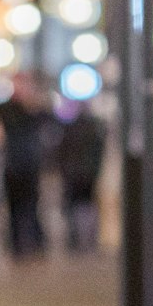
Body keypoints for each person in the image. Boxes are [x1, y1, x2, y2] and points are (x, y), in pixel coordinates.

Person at [0, 74, 56, 260]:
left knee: (32, 207)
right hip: (12, 165)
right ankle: (17, 249)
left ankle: (36, 246)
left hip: (31, 165)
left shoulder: (35, 107)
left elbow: (51, 125)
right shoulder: (5, 108)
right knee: (14, 209)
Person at [56, 98, 107, 255]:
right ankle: (87, 239)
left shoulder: (70, 128)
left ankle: (77, 239)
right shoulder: (94, 129)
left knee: (75, 205)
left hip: (75, 173)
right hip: (87, 173)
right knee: (87, 205)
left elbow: (61, 151)